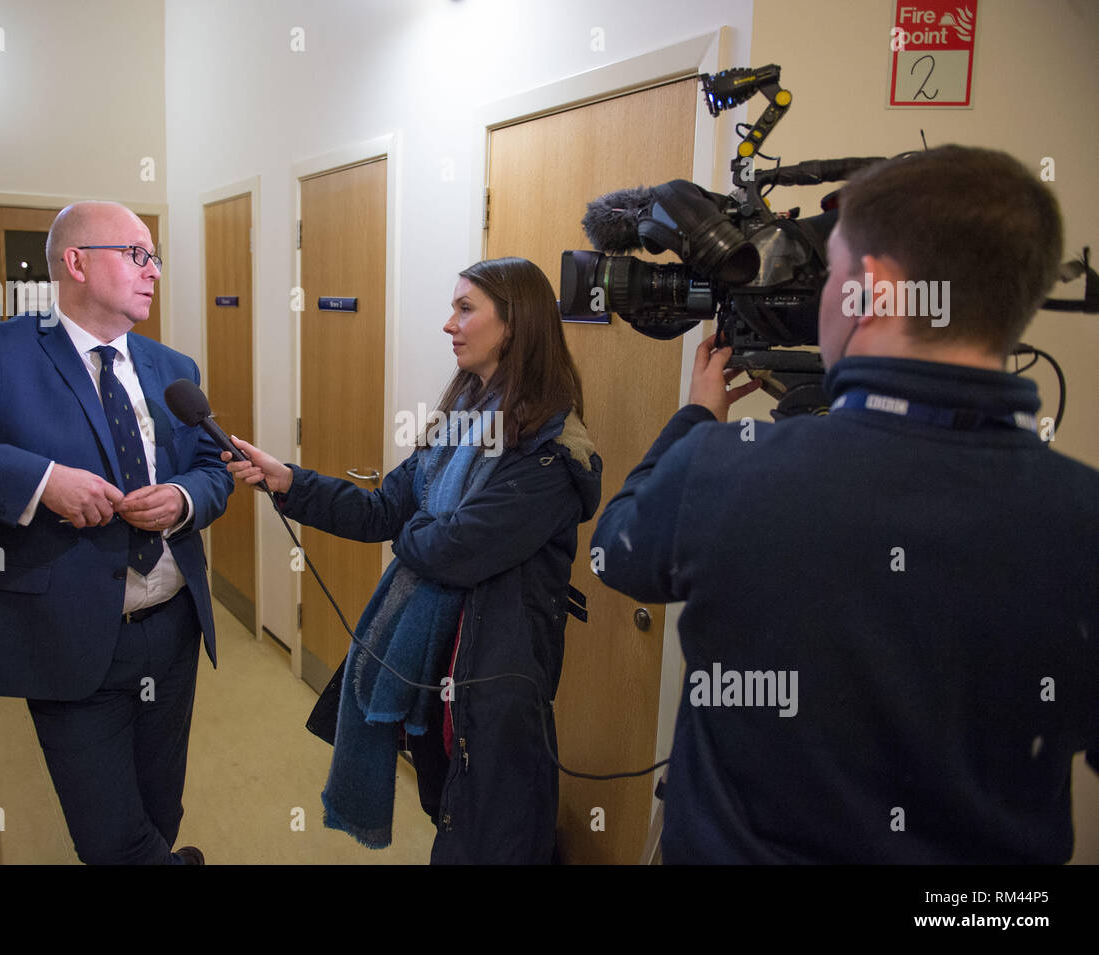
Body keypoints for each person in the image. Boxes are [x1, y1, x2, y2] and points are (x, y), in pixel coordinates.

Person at [591, 145, 1099, 863]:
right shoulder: (1082, 518)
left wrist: (695, 424)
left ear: (875, 290)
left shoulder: (721, 469)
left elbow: (615, 548)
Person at [0, 201, 236, 865]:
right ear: (77, 262)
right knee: (111, 840)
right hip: (69, 637)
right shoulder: (1, 350)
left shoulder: (172, 366)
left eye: (156, 258)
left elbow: (214, 467)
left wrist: (181, 497)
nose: (153, 272)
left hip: (172, 628)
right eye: (136, 254)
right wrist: (41, 481)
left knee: (157, 810)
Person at [225, 257, 601, 863]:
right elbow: (384, 511)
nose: (449, 324)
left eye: (466, 308)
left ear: (515, 325)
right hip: (432, 678)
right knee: (447, 815)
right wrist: (289, 481)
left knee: (492, 839)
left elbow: (452, 551)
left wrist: (422, 529)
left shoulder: (550, 452)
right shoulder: (464, 418)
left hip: (491, 688)